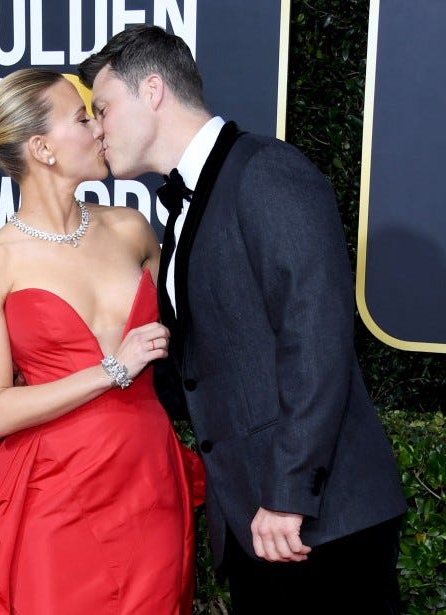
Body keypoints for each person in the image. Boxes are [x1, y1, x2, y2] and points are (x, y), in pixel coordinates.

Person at [79, 24, 408, 615]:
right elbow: (210, 371)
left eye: (102, 108)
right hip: (255, 523)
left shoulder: (266, 171)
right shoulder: (180, 210)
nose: (97, 128)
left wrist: (287, 495)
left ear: (152, 89)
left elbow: (316, 341)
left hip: (316, 521)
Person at [0, 67, 205, 615]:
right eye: (82, 118)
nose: (100, 128)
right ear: (42, 148)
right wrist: (111, 369)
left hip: (151, 484)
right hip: (57, 492)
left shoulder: (133, 228)